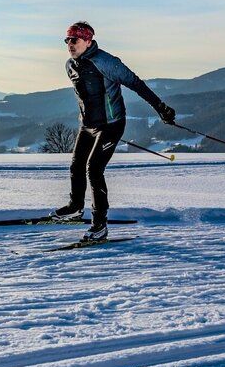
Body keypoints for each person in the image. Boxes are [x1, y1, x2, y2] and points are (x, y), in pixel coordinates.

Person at [51, 21, 177, 242]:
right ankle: (75, 207)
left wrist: (160, 108)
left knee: (94, 168)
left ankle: (99, 225)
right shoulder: (70, 65)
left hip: (111, 125)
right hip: (88, 125)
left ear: (88, 41)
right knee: (76, 165)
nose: (70, 44)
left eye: (75, 40)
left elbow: (136, 83)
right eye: (67, 40)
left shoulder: (106, 62)